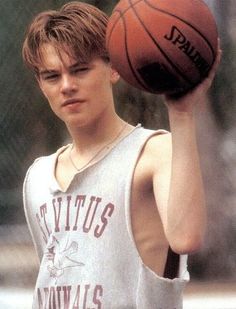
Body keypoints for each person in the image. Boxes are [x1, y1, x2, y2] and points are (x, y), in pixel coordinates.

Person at [22, 1, 221, 308]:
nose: (66, 86)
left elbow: (186, 238)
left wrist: (181, 112)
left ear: (114, 68)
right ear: (40, 84)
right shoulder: (37, 177)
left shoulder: (153, 152)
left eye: (80, 70)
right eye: (52, 76)